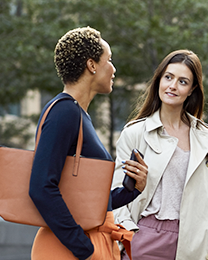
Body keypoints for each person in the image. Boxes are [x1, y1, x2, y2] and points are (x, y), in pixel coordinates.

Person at [29, 27, 148, 260]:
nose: (113, 69)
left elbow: (86, 200)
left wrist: (132, 190)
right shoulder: (64, 112)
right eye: (109, 60)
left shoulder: (77, 114)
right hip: (68, 248)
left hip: (81, 243)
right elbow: (41, 188)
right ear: (92, 65)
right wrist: (85, 248)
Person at [111, 50, 208, 260]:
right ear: (159, 79)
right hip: (146, 238)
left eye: (182, 81)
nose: (173, 86)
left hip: (195, 242)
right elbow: (117, 194)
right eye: (168, 77)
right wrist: (129, 237)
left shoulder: (206, 136)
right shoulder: (135, 133)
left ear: (192, 89)